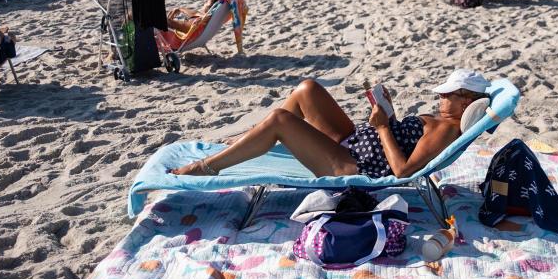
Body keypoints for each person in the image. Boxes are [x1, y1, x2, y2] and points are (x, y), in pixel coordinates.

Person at [171, 68, 490, 178]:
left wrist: (382, 128)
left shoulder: (447, 129)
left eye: (447, 95)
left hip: (353, 164)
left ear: (464, 100)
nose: (440, 98)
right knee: (307, 89)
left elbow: (403, 172)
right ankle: (255, 136)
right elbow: (403, 140)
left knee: (281, 119)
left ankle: (207, 167)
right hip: (357, 142)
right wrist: (389, 116)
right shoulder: (439, 119)